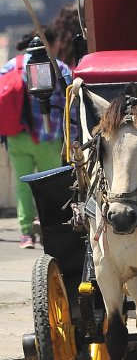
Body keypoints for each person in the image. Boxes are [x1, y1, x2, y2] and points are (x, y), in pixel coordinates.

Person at [1, 29, 73, 249]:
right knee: (49, 187)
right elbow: (72, 105)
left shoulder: (12, 66)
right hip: (49, 139)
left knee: (22, 187)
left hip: (17, 137)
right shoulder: (59, 68)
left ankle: (25, 234)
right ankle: (47, 228)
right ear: (50, 45)